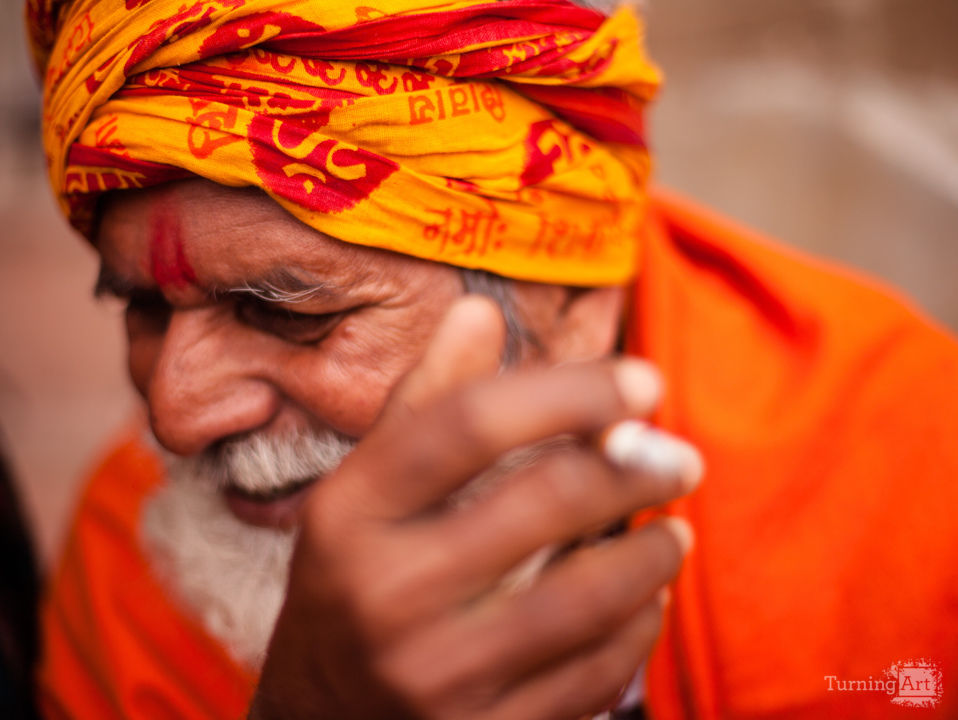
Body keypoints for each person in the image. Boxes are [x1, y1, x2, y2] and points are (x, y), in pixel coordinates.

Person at [26, 0, 958, 718]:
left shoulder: (915, 490)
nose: (175, 416)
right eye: (143, 306)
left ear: (577, 300)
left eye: (287, 313)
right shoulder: (134, 554)